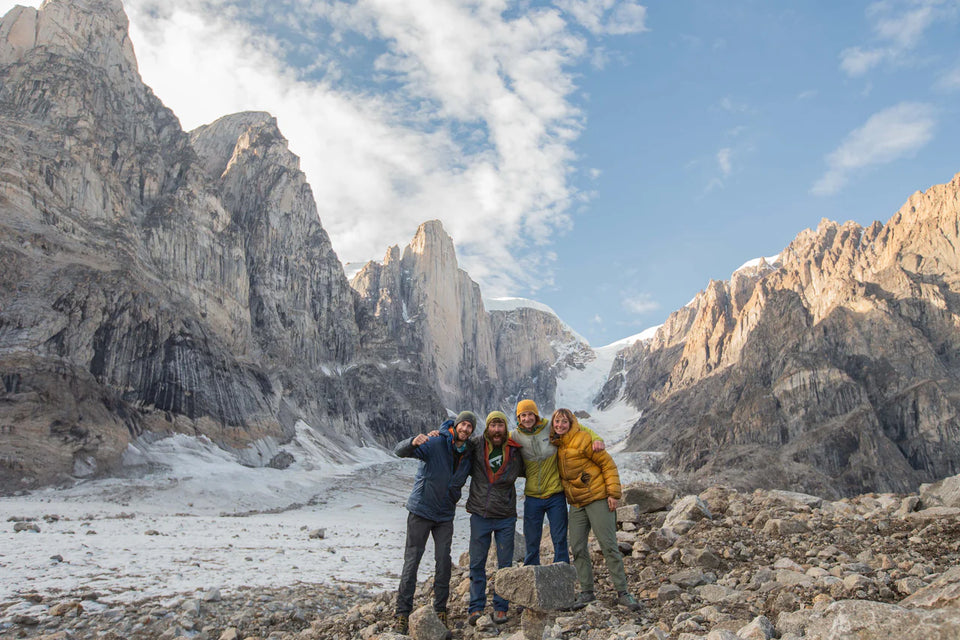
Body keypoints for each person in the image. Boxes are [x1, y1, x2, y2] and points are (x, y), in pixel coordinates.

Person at [393, 411, 477, 634]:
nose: (466, 429)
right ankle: (402, 614)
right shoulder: (436, 442)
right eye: (463, 424)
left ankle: (440, 609)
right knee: (412, 561)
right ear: (456, 425)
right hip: (421, 510)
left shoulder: (469, 453)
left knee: (443, 562)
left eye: (470, 426)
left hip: (444, 515)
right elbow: (399, 451)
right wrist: (412, 441)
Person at [550, 407, 641, 611]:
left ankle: (623, 592)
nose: (560, 425)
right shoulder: (556, 443)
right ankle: (587, 593)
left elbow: (607, 464)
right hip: (576, 503)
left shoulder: (583, 439)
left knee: (608, 545)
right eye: (557, 421)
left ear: (571, 423)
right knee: (578, 547)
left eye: (564, 421)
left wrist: (613, 494)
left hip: (598, 498)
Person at [510, 399, 604, 566]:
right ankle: (531, 573)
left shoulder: (550, 427)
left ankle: (562, 572)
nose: (527, 418)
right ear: (519, 418)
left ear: (536, 415)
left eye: (530, 414)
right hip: (532, 496)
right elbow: (497, 441)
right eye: (523, 415)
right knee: (531, 539)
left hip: (555, 494)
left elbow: (578, 428)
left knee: (559, 537)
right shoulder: (515, 436)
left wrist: (596, 438)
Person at [464, 411, 524, 626]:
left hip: (505, 516)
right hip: (480, 513)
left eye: (500, 426)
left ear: (505, 428)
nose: (497, 430)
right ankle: (476, 607)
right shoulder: (475, 445)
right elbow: (455, 443)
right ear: (487, 427)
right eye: (493, 425)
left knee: (505, 564)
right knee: (477, 562)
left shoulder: (515, 450)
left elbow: (536, 466)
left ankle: (501, 607)